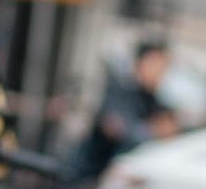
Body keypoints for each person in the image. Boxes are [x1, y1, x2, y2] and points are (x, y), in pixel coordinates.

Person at [73, 40, 178, 180]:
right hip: (89, 175)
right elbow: (120, 130)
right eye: (155, 64)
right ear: (139, 62)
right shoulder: (119, 89)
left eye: (164, 67)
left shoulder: (153, 99)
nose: (159, 72)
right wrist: (153, 132)